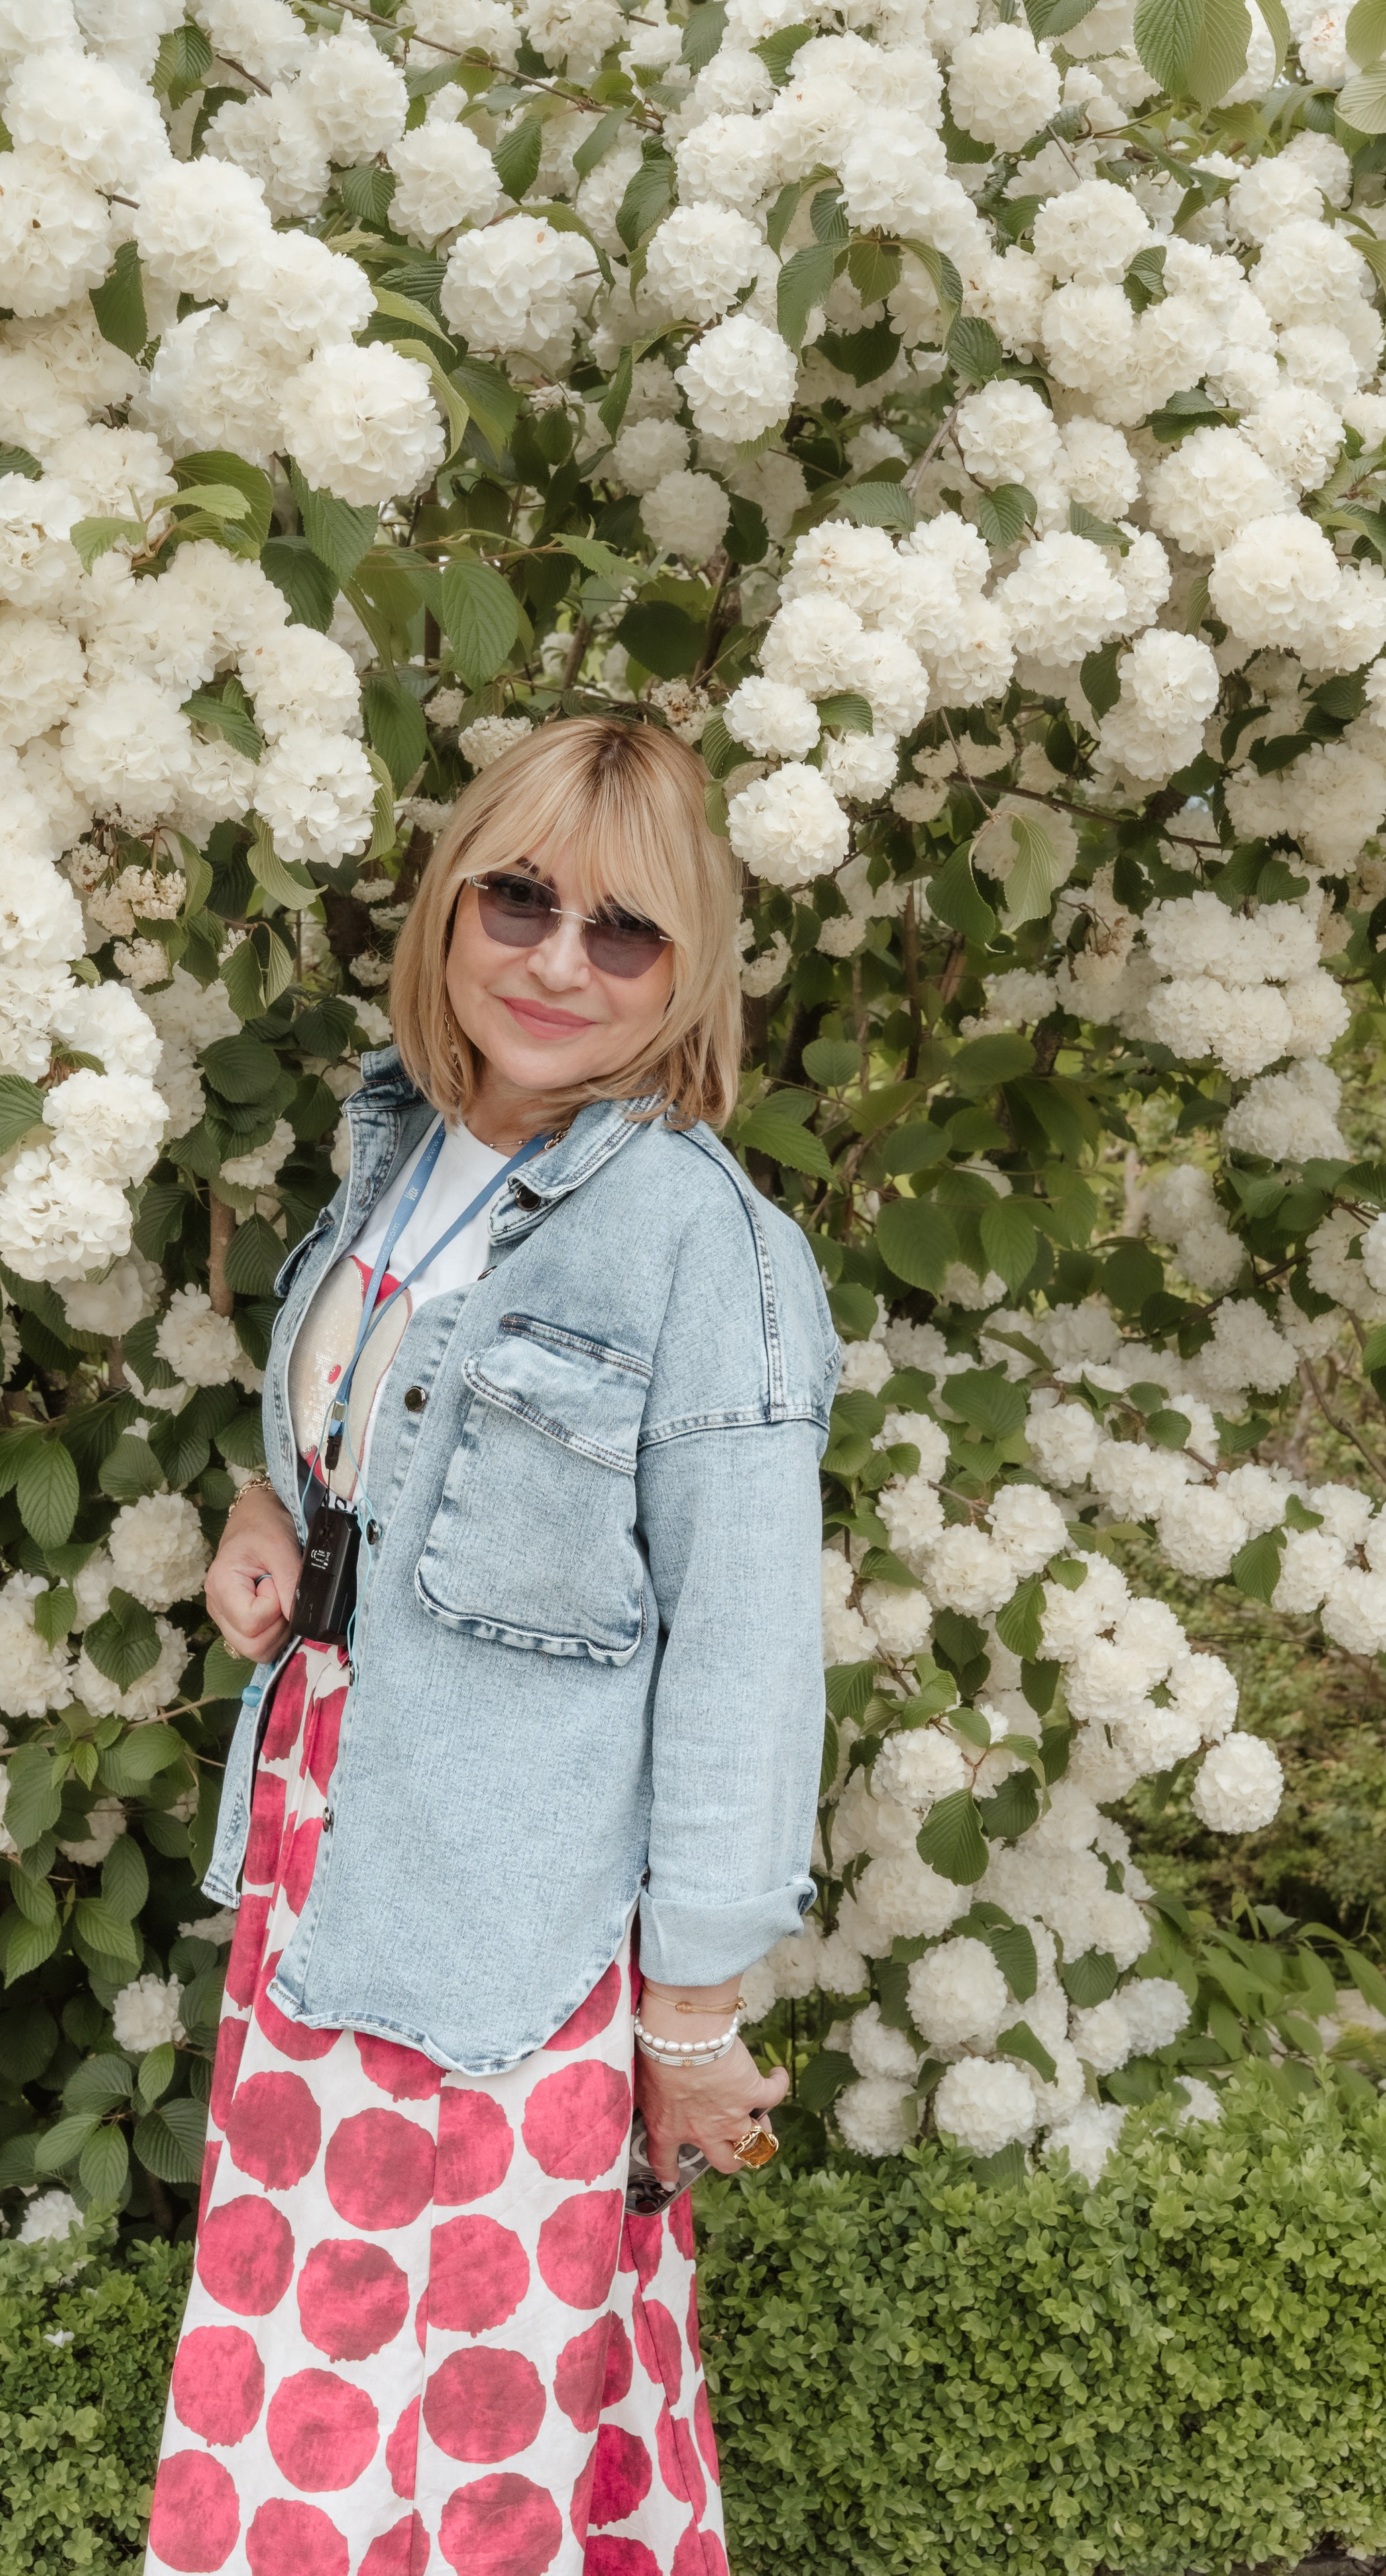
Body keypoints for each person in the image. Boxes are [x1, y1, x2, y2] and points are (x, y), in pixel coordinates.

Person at [145, 717, 838, 2576]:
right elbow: (368, 1433)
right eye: (516, 897)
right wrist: (276, 1515)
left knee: (474, 2438)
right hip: (327, 1857)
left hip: (514, 1930)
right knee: (300, 2385)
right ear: (448, 906)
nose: (554, 958)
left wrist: (691, 2016)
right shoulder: (402, 1153)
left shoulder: (714, 1254)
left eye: (623, 932)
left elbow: (747, 1668)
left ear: (690, 967)